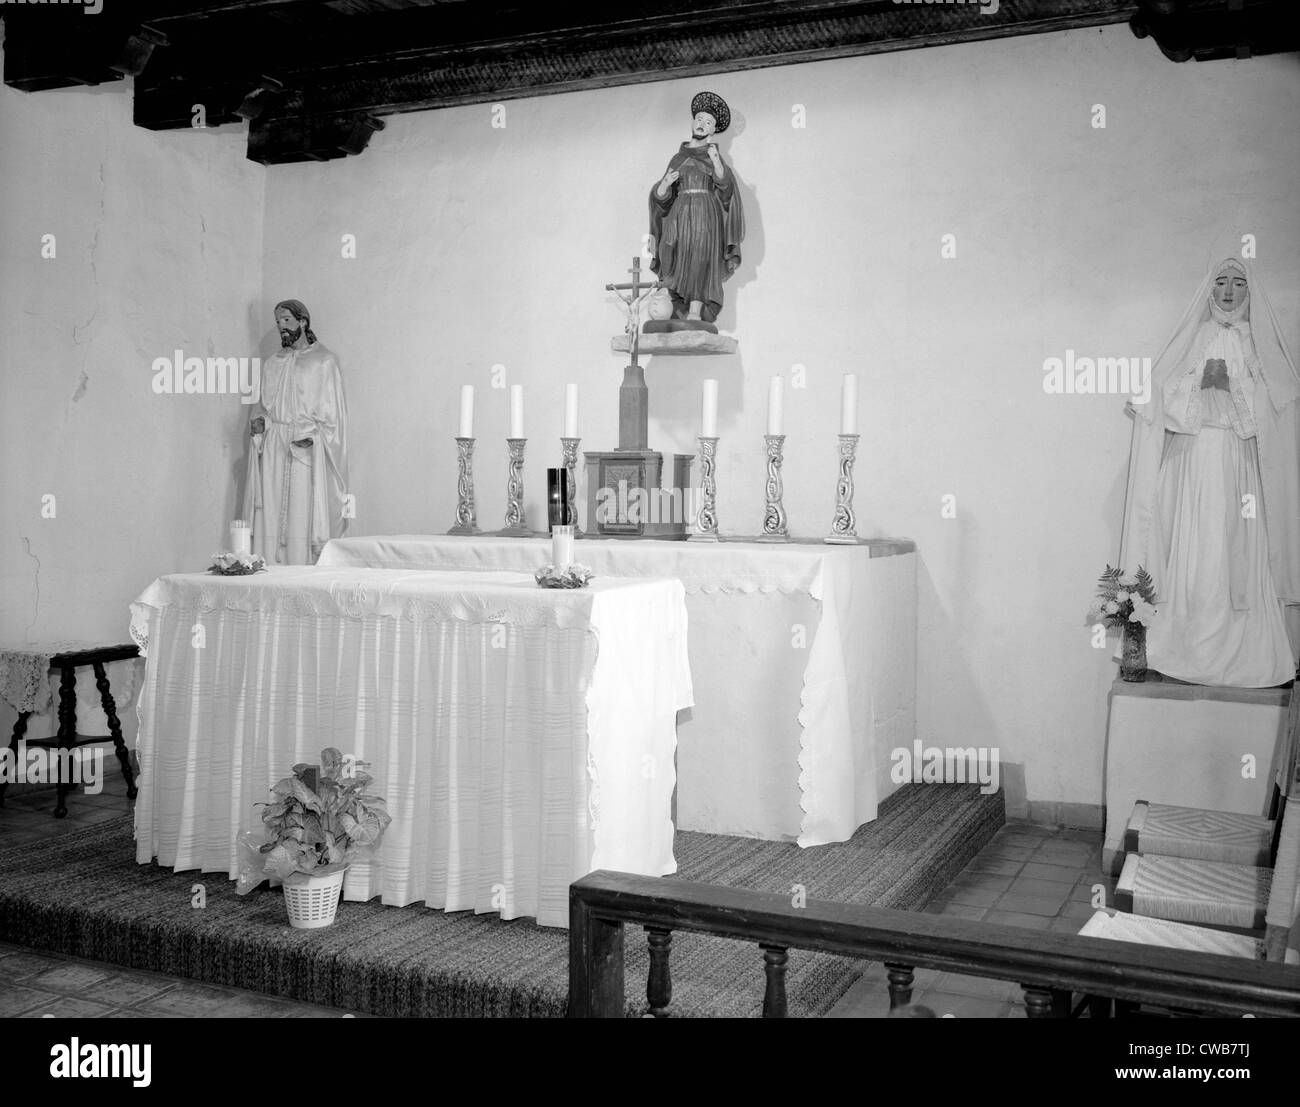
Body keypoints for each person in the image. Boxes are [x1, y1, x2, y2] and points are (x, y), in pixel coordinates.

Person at [1119, 258, 1300, 687]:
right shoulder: (1195, 337)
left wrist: (1237, 390)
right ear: (1209, 289)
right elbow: (1166, 400)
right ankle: (1186, 649)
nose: (1229, 291)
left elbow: (1272, 414)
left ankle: (1247, 655)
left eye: (1238, 283)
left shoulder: (1260, 343)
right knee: (1197, 546)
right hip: (1194, 460)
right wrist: (1201, 385)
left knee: (1237, 546)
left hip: (1239, 459)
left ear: (1250, 293)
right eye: (1221, 282)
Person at [242, 300, 349, 564]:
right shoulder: (272, 364)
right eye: (278, 322)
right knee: (270, 509)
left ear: (303, 322)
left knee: (301, 513)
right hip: (273, 448)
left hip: (305, 450)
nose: (281, 327)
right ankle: (267, 572)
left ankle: (301, 572)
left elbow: (335, 418)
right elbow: (262, 408)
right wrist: (259, 424)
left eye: (287, 320)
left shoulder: (324, 362)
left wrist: (314, 438)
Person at [647, 91, 745, 325]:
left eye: (708, 122)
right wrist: (664, 186)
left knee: (700, 258)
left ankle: (695, 310)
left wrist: (717, 162)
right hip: (678, 216)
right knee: (670, 251)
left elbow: (726, 188)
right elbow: (661, 199)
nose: (702, 124)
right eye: (699, 119)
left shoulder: (714, 157)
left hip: (704, 216)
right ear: (693, 122)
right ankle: (671, 305)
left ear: (713, 131)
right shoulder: (677, 158)